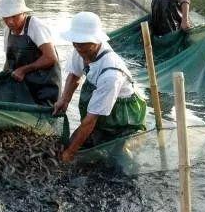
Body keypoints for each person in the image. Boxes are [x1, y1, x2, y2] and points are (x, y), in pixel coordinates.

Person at [53, 12, 147, 162]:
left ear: (96, 41)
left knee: (120, 162)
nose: (77, 46)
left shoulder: (111, 74)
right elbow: (74, 76)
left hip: (124, 118)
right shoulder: (81, 49)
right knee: (82, 151)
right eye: (75, 42)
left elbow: (90, 120)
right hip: (100, 113)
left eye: (82, 43)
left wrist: (70, 153)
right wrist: (64, 100)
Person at [0, 0, 62, 106]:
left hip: (44, 88)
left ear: (23, 12)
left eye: (14, 16)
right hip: (23, 87)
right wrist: (3, 77)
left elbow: (50, 58)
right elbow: (8, 61)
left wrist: (23, 70)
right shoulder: (7, 31)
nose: (10, 21)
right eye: (5, 17)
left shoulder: (35, 26)